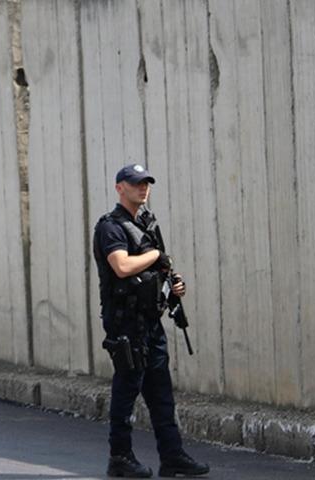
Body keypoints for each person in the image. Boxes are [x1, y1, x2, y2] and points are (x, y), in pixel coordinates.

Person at [93, 164, 210, 478]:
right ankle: (119, 458)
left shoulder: (147, 224)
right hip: (125, 324)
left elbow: (158, 269)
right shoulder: (110, 227)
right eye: (135, 183)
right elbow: (122, 266)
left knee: (161, 394)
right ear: (120, 188)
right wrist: (157, 256)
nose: (142, 188)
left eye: (146, 183)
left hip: (150, 321)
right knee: (126, 390)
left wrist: (173, 285)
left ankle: (171, 456)